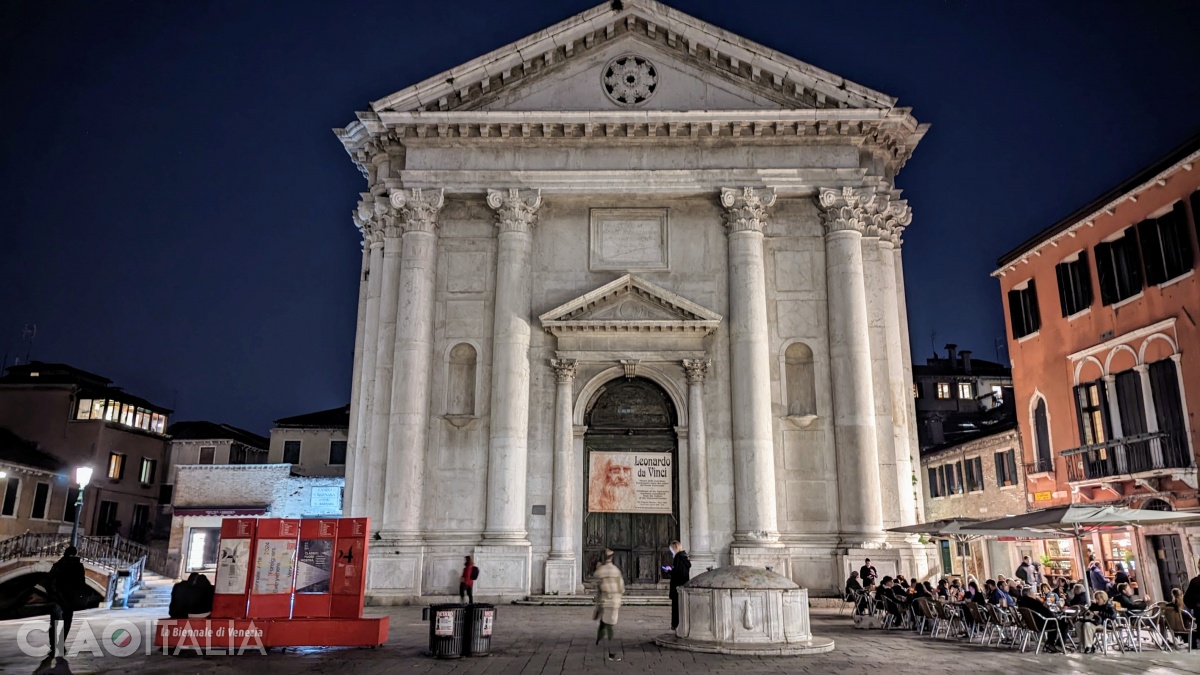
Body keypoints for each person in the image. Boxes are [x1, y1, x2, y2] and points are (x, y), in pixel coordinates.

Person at [47, 546, 87, 657]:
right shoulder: (78, 566)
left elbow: (51, 581)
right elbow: (81, 583)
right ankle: (60, 645)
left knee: (55, 623)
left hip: (58, 599)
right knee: (66, 623)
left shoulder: (59, 565)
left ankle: (54, 646)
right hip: (70, 600)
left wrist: (54, 595)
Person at [593, 549, 625, 661]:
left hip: (604, 600)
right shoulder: (616, 570)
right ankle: (609, 649)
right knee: (610, 623)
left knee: (605, 620)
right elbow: (621, 588)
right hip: (614, 600)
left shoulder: (600, 570)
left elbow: (598, 587)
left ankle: (601, 641)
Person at [1016, 586, 1064, 651]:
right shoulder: (1033, 602)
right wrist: (1053, 616)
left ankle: (1050, 643)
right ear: (1029, 594)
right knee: (1063, 624)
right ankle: (1058, 645)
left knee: (1054, 622)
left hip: (1031, 624)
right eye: (1033, 592)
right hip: (1041, 624)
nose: (1034, 594)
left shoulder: (1022, 602)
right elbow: (1046, 612)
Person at [667, 540, 691, 630]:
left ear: (675, 548)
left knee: (676, 607)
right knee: (681, 606)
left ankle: (675, 624)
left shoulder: (678, 557)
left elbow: (676, 572)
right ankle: (679, 623)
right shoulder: (685, 557)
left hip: (677, 585)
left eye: (671, 550)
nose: (671, 552)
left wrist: (669, 570)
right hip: (683, 584)